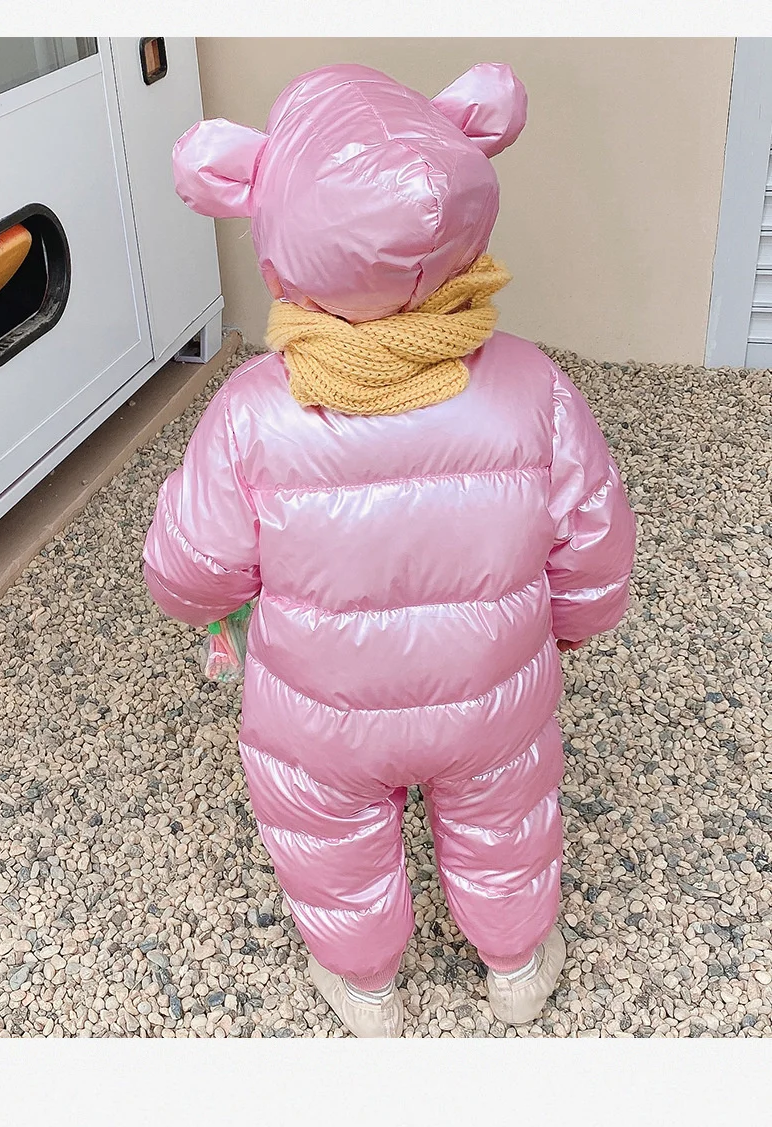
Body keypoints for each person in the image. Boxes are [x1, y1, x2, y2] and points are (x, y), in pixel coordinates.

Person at [143, 62, 636, 1038]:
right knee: (506, 820)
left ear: (272, 223)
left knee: (329, 840)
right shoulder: (533, 385)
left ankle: (367, 989)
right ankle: (517, 965)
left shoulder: (250, 413)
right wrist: (571, 627)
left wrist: (217, 610)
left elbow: (189, 567)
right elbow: (594, 542)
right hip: (490, 692)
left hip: (323, 711)